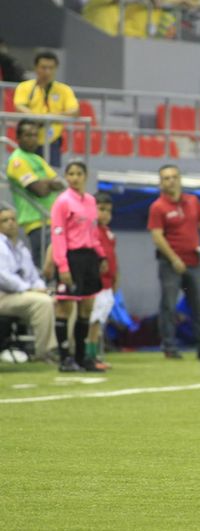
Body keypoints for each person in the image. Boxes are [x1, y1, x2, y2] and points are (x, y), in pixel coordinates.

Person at [147, 164, 200, 359]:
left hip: (194, 261)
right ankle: (169, 347)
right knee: (168, 305)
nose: (171, 181)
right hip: (170, 263)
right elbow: (157, 237)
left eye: (174, 177)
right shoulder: (158, 207)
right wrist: (174, 259)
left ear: (180, 179)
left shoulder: (193, 202)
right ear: (161, 182)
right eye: (166, 178)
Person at [49, 161, 108, 373]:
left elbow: (93, 233)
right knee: (64, 308)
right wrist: (62, 265)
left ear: (86, 176)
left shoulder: (91, 201)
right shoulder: (62, 202)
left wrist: (101, 256)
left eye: (78, 174)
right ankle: (65, 358)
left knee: (87, 307)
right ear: (66, 177)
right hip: (71, 258)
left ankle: (83, 358)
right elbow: (58, 235)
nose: (74, 178)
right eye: (70, 174)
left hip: (89, 258)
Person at [5, 119, 66, 269]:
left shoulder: (37, 159)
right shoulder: (17, 161)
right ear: (18, 138)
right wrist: (47, 183)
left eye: (34, 135)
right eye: (27, 135)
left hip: (52, 221)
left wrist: (45, 183)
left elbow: (60, 183)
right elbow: (40, 191)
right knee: (44, 268)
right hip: (37, 223)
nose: (32, 139)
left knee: (57, 266)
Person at [0, 202, 55, 363]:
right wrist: (30, 289)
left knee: (61, 300)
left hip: (21, 295)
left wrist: (41, 288)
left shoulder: (21, 248)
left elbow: (33, 275)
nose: (10, 223)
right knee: (42, 303)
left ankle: (68, 351)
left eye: (13, 219)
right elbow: (3, 277)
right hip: (4, 296)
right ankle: (43, 353)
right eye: (5, 220)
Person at [13, 51, 80, 168]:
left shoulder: (64, 90)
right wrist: (36, 118)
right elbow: (19, 107)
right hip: (28, 140)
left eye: (51, 68)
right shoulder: (24, 87)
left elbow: (74, 111)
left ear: (56, 69)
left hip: (52, 142)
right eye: (43, 68)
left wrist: (50, 118)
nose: (47, 72)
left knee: (52, 177)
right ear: (36, 68)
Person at [84, 191, 119, 371]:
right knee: (92, 322)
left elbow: (113, 259)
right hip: (96, 286)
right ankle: (88, 356)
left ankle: (95, 355)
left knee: (99, 322)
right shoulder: (90, 231)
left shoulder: (109, 234)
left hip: (107, 286)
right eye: (101, 209)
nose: (105, 214)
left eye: (108, 210)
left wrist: (115, 280)